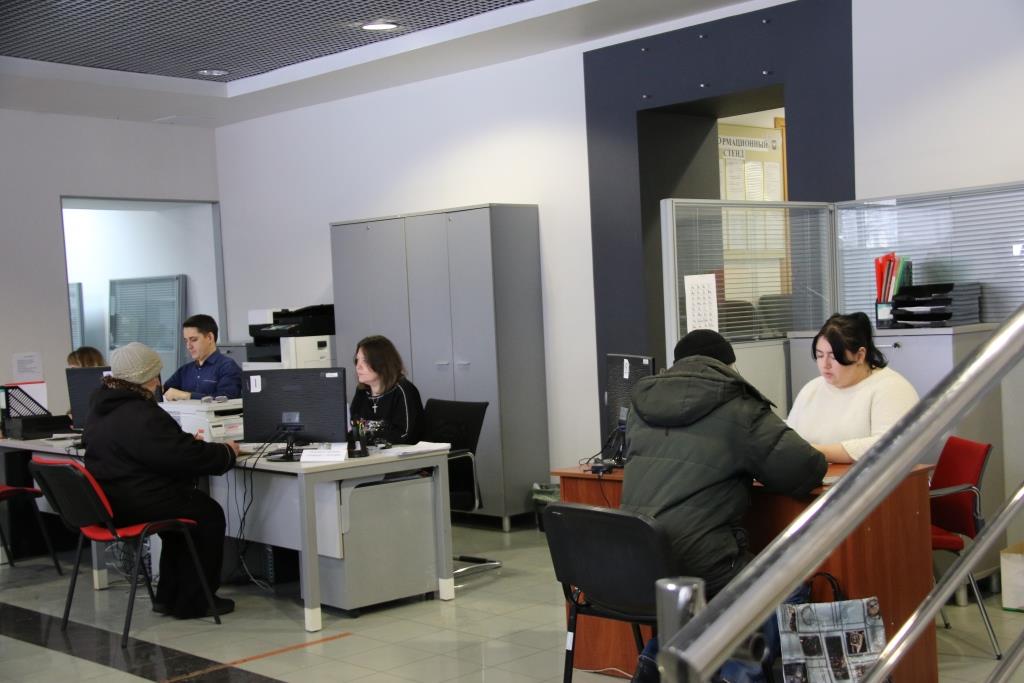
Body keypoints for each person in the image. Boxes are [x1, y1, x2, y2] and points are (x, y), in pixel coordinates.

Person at [621, 329, 827, 599]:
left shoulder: (640, 407)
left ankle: (683, 630)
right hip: (706, 564)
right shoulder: (739, 405)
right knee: (793, 591)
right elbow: (805, 469)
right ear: (728, 365)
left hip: (639, 559)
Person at [84, 341, 240, 619]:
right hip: (138, 500)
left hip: (111, 500)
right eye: (154, 376)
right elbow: (181, 456)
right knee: (207, 514)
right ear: (142, 378)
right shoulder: (140, 412)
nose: (158, 382)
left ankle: (168, 597)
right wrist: (226, 452)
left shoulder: (100, 408)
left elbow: (160, 449)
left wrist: (182, 443)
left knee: (179, 522)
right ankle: (195, 601)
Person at [787, 312, 919, 464]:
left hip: (870, 476)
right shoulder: (812, 388)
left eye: (834, 356)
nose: (825, 365)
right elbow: (790, 439)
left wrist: (816, 452)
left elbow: (890, 445)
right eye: (820, 355)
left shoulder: (891, 388)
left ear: (860, 355)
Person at [349, 335, 423, 445]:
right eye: (357, 360)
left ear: (382, 363)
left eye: (365, 361)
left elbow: (405, 435)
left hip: (402, 454)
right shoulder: (362, 391)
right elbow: (354, 426)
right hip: (371, 452)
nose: (358, 367)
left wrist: (367, 434)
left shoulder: (403, 391)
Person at [163, 314, 242, 401]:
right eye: (186, 341)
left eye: (193, 340)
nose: (188, 346)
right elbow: (164, 391)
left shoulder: (227, 367)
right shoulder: (185, 370)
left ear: (210, 338)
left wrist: (187, 396)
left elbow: (225, 399)